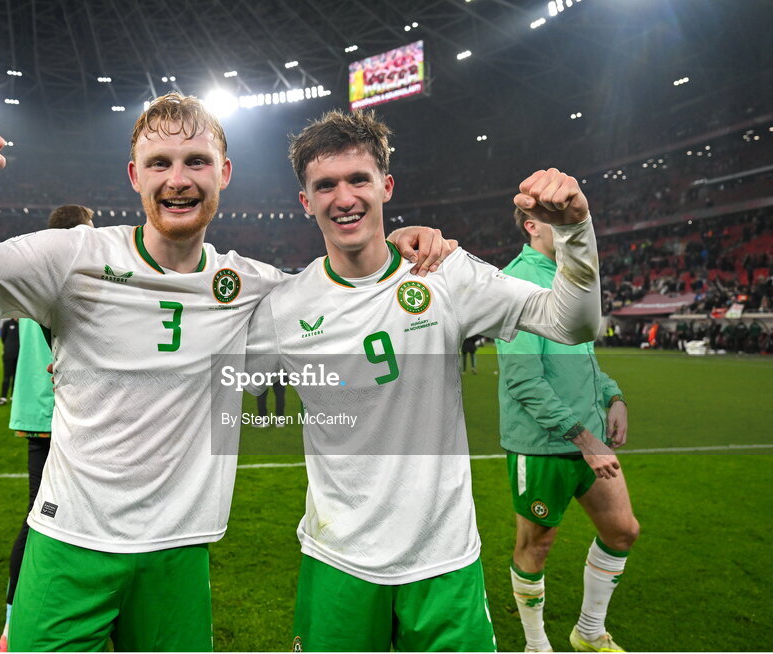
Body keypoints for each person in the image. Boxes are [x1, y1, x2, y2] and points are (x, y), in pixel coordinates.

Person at [0, 96, 452, 651]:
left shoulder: (253, 285)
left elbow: (346, 290)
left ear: (224, 173)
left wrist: (393, 244)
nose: (178, 179)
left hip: (179, 551)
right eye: (159, 164)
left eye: (196, 161)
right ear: (134, 176)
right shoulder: (72, 258)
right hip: (70, 541)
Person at [244, 109, 604, 651]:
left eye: (359, 179)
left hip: (444, 561)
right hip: (338, 561)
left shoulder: (445, 272)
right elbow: (213, 376)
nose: (344, 197)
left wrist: (575, 230)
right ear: (305, 201)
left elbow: (573, 324)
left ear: (386, 186)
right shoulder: (284, 307)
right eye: (325, 185)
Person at [496, 208, 638, 652]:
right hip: (543, 444)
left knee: (622, 531)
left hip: (589, 439)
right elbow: (523, 378)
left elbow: (584, 357)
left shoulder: (571, 277)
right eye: (556, 219)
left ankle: (589, 632)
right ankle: (536, 644)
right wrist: (583, 437)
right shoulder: (516, 282)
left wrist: (614, 396)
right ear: (532, 226)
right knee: (536, 547)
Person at [0, 203, 95, 653]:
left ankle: (48, 610)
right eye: (90, 230)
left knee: (53, 512)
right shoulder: (64, 274)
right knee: (44, 516)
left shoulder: (35, 274)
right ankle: (15, 621)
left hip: (41, 410)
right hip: (59, 410)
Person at [0, 318, 19, 405]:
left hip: (19, 355)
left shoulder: (22, 325)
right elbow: (3, 338)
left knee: (16, 376)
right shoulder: (7, 324)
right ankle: (3, 397)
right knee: (6, 376)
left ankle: (14, 396)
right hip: (8, 354)